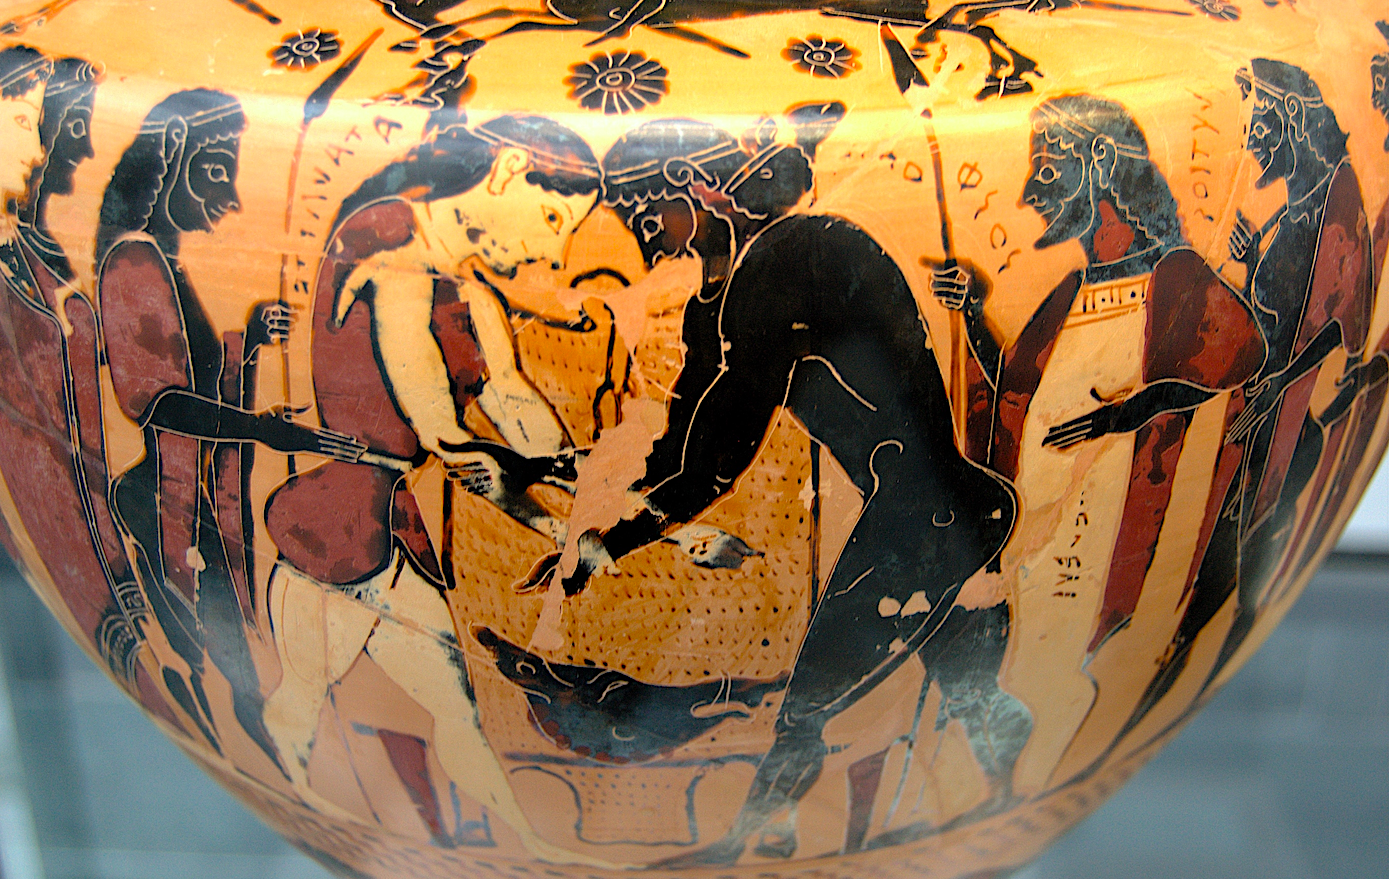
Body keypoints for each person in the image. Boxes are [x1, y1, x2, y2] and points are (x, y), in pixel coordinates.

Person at [525, 113, 1017, 867]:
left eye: (647, 207)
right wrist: (587, 527)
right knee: (965, 687)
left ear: (696, 188)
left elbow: (717, 459)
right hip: (922, 516)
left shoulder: (796, 257)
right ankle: (995, 774)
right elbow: (678, 447)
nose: (643, 230)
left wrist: (615, 542)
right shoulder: (715, 302)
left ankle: (736, 850)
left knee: (804, 710)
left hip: (926, 516)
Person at [259, 115, 615, 867]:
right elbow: (449, 441)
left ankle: (533, 850)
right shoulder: (390, 253)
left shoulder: (465, 286)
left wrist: (604, 492)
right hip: (339, 530)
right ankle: (309, 801)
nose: (552, 253)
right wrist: (558, 531)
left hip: (391, 523)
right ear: (508, 170)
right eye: (554, 221)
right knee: (302, 697)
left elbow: (514, 403)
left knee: (456, 709)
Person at [932, 94, 1265, 792]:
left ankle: (1030, 775)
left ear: (1101, 162)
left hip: (1125, 530)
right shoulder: (1069, 290)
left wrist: (1131, 411)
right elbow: (1013, 395)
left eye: (1047, 170)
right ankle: (1016, 780)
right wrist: (975, 313)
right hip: (1046, 534)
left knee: (1079, 666)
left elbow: (1240, 362)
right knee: (1032, 664)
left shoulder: (1176, 275)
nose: (1030, 193)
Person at [1068, 60, 1376, 778]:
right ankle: (1132, 709)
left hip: (1280, 430)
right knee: (1202, 594)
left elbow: (1341, 321)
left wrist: (1280, 385)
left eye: (1260, 121)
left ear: (1291, 118)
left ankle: (1135, 710)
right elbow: (1261, 332)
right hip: (1248, 425)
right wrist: (1251, 262)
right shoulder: (1291, 215)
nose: (1253, 137)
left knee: (1215, 597)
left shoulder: (1328, 208)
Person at [96, 89, 363, 771]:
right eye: (217, 171)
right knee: (227, 672)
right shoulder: (133, 263)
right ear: (171, 163)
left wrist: (247, 344)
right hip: (166, 507)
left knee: (241, 668)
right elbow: (157, 402)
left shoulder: (165, 263)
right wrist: (266, 433)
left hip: (194, 505)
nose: (231, 196)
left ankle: (279, 760)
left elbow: (193, 380)